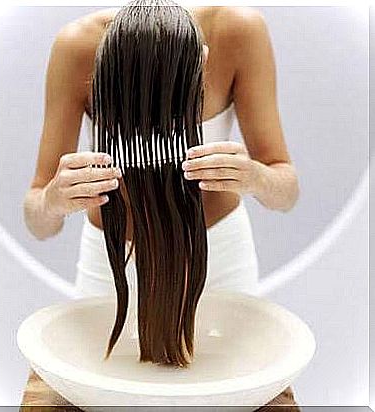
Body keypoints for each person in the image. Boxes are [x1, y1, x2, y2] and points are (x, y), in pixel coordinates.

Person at [22, 4, 301, 409]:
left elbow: (286, 191)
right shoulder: (78, 45)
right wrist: (52, 200)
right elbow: (37, 221)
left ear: (202, 60)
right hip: (110, 265)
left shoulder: (238, 31)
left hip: (219, 258)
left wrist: (257, 177)